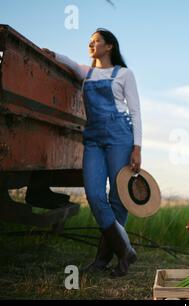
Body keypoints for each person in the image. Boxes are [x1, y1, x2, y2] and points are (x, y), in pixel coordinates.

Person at [43, 28, 142, 277]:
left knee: (118, 200)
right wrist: (51, 54)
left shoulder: (124, 74)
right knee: (95, 195)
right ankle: (126, 250)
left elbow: (135, 112)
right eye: (90, 41)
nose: (91, 44)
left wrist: (137, 147)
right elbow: (68, 61)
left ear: (109, 46)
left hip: (120, 136)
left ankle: (102, 260)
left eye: (96, 41)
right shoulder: (86, 73)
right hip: (94, 140)